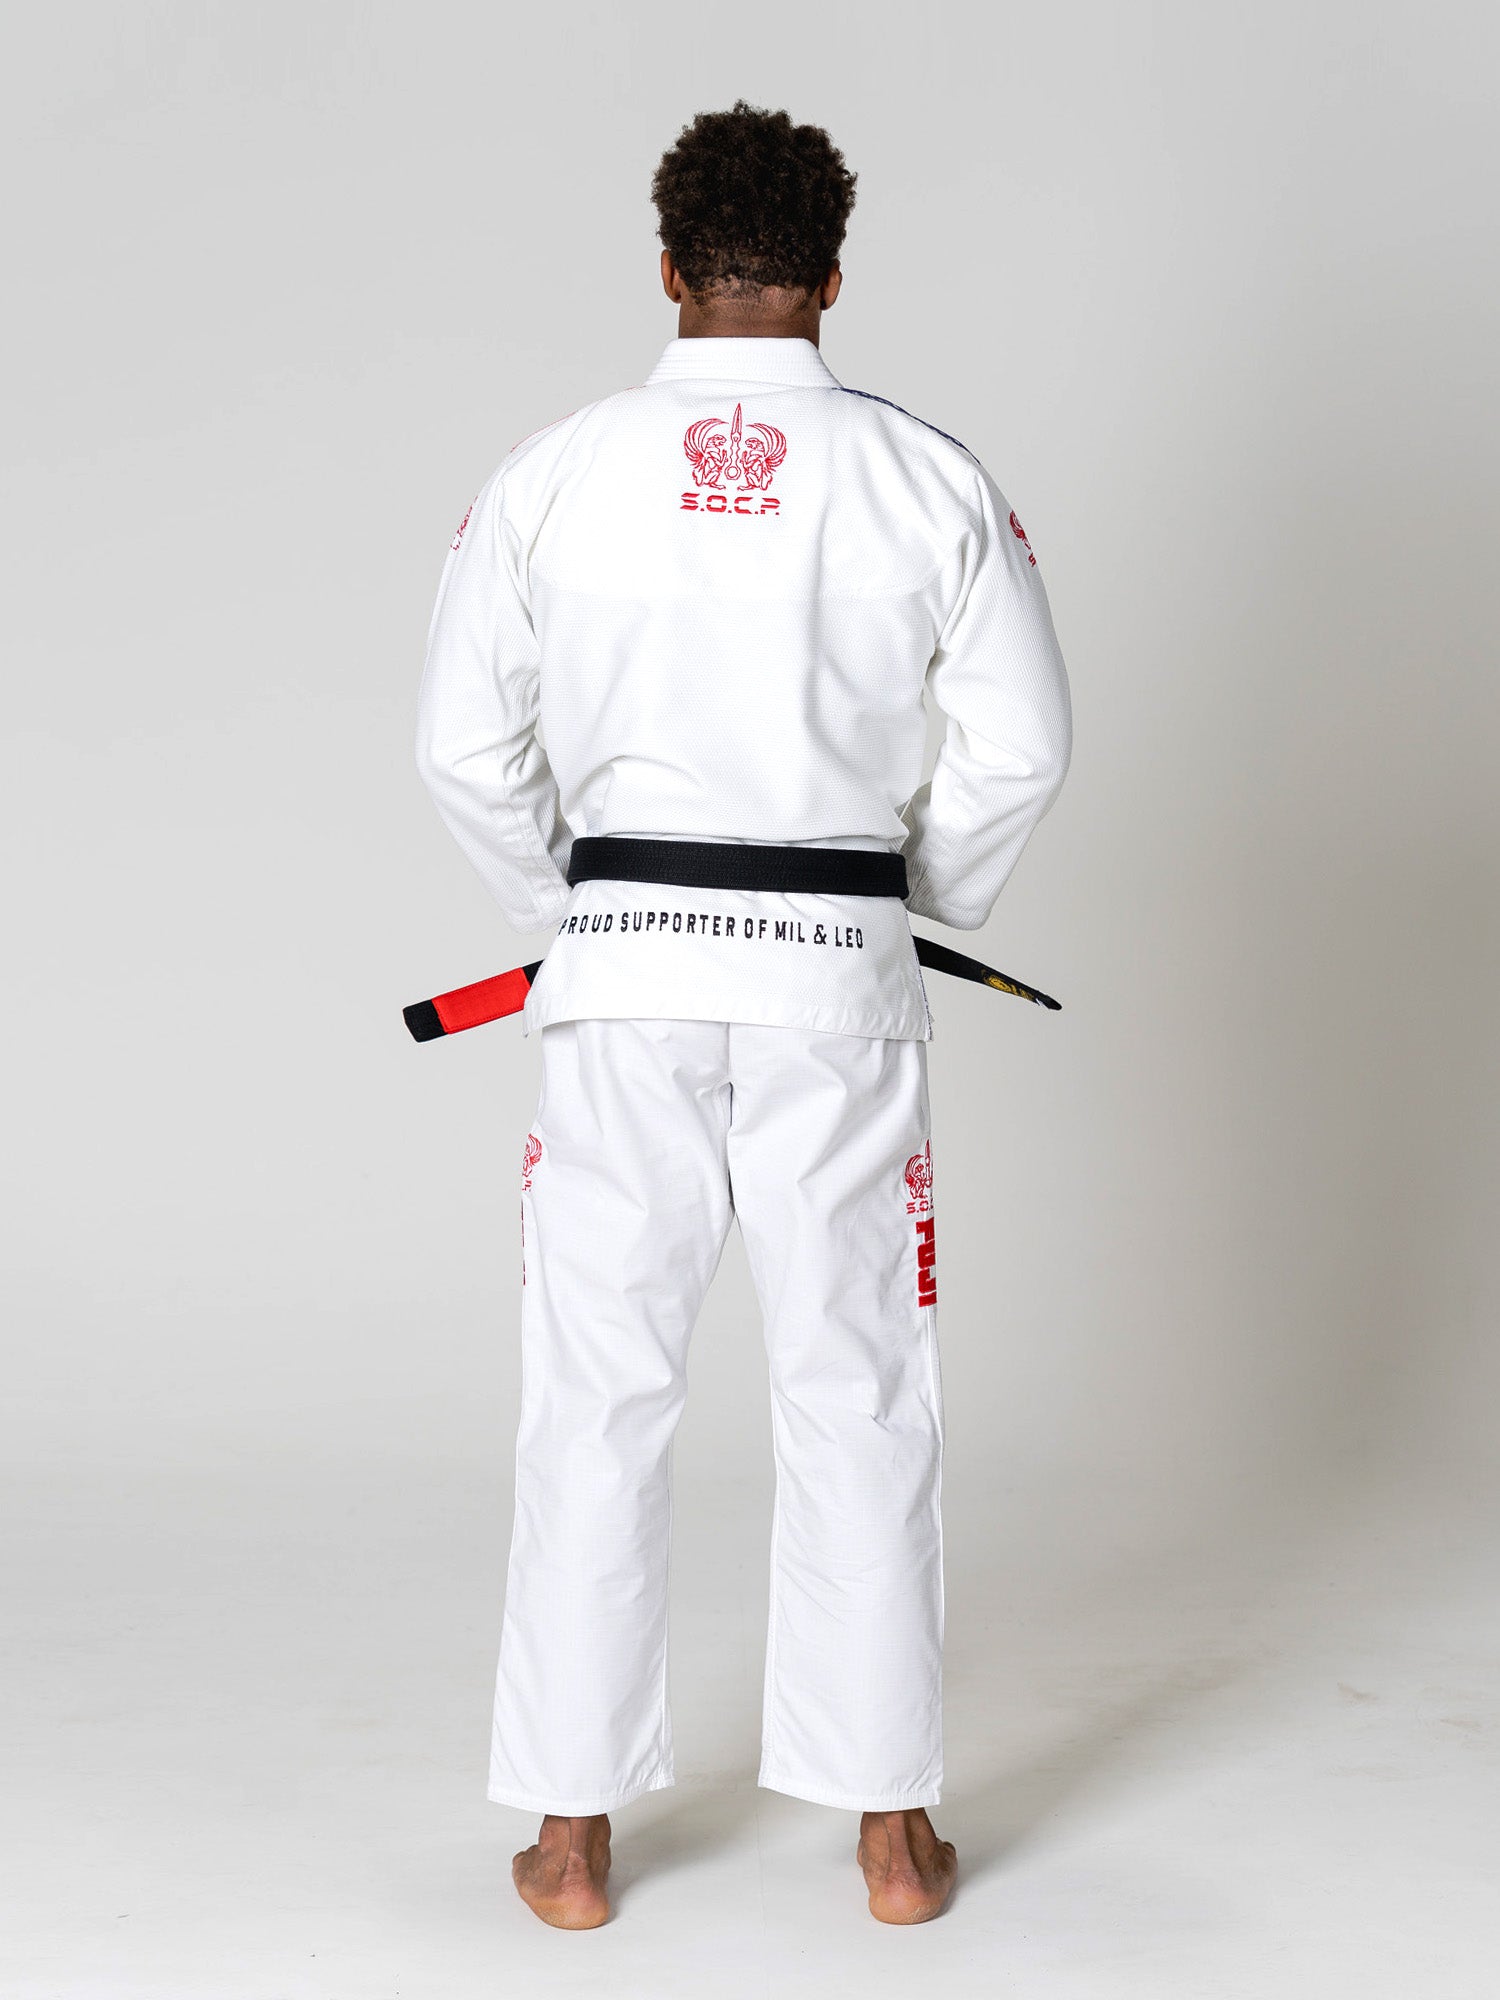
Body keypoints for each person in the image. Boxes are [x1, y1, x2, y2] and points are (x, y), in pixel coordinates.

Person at [415, 101, 1072, 1929]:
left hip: (620, 981)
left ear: (668, 268)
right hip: (833, 992)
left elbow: (460, 750)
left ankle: (569, 1834)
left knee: (596, 1385)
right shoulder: (925, 477)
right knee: (855, 1384)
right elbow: (1025, 745)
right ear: (836, 276)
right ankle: (889, 1834)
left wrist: (577, 912)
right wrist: (911, 910)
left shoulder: (554, 471)